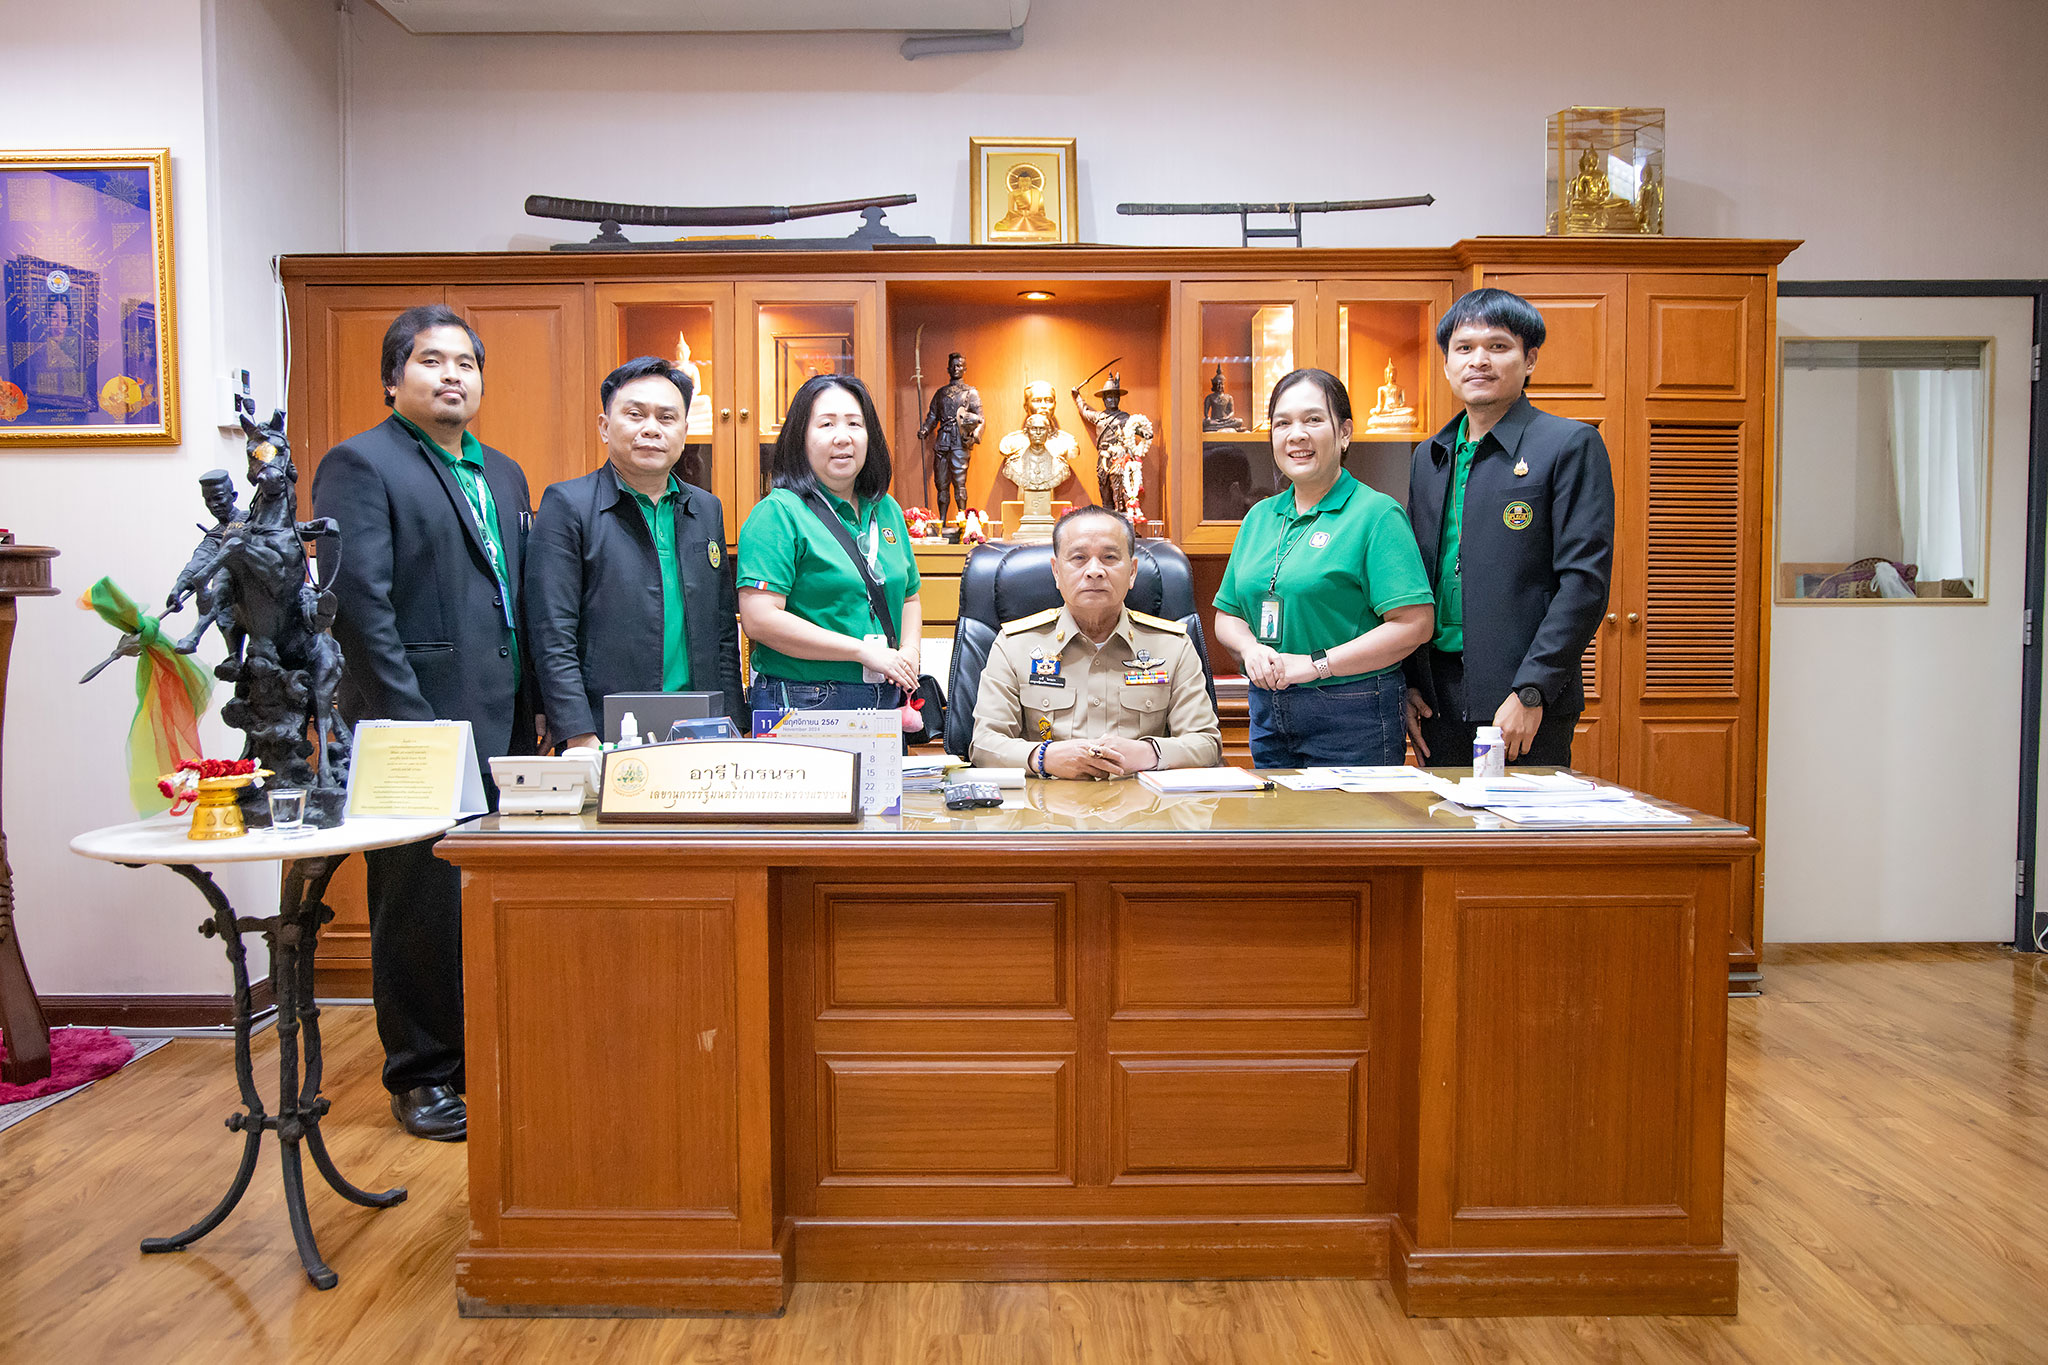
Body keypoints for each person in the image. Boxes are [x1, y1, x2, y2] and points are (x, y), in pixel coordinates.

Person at [311, 304, 536, 1142]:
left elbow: (513, 598)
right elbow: (357, 608)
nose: (452, 375)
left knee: (483, 896)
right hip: (413, 725)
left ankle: (478, 1055)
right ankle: (420, 1073)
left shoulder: (502, 472)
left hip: (500, 723)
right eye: (431, 360)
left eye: (465, 363)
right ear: (392, 378)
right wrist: (415, 727)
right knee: (417, 900)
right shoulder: (360, 464)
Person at [1403, 288, 1614, 769]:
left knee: (1522, 819)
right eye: (1464, 348)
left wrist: (1533, 690)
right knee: (1444, 817)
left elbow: (1584, 584)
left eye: (1498, 346)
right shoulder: (1429, 457)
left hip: (1522, 701)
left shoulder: (1569, 445)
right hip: (1437, 698)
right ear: (1446, 363)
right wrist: (1410, 683)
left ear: (1529, 358)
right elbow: (1414, 579)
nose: (1479, 360)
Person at [1212, 368, 1435, 768]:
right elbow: (1228, 615)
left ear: (1344, 432)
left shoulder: (1376, 514)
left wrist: (1316, 665)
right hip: (1268, 707)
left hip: (1351, 711)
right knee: (1276, 811)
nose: (1296, 435)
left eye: (1313, 419)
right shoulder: (1259, 516)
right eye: (1282, 423)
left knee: (1346, 813)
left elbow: (1414, 625)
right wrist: (1250, 649)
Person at [526, 356, 744, 748]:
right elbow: (552, 633)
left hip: (700, 727)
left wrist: (733, 723)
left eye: (666, 417)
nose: (651, 429)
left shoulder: (705, 508)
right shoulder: (568, 505)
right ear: (604, 426)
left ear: (684, 431)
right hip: (605, 729)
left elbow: (724, 633)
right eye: (635, 414)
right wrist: (578, 734)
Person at [972, 505, 1221, 776]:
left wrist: (1149, 753)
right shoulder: (1014, 646)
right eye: (1079, 558)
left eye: (1109, 557)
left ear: (1132, 572)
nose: (1094, 571)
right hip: (1048, 800)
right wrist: (1043, 757)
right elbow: (984, 744)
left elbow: (1206, 743)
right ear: (1056, 572)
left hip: (1141, 800)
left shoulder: (1173, 647)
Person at [737, 374, 922, 717]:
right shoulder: (778, 514)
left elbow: (909, 596)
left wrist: (910, 651)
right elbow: (760, 620)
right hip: (804, 698)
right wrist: (860, 651)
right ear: (801, 438)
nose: (843, 437)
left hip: (885, 695)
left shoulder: (887, 509)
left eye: (854, 424)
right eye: (826, 424)